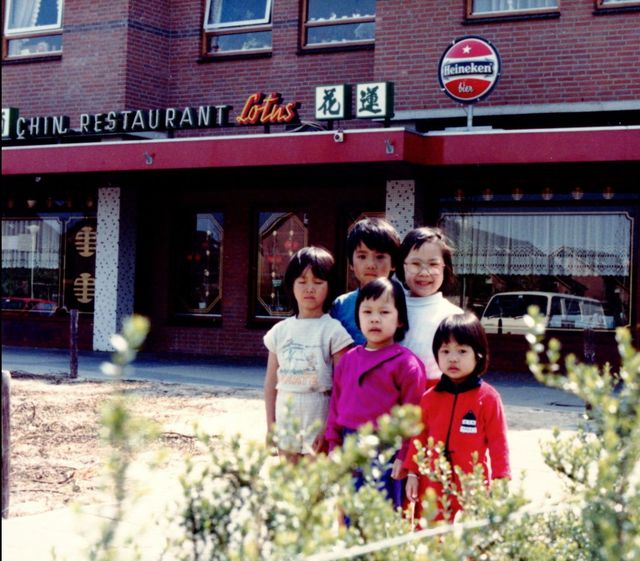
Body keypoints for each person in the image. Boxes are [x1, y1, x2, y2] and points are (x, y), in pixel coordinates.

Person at [325, 277, 426, 509]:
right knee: (352, 514)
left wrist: (404, 456)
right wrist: (333, 446)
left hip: (387, 452)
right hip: (350, 447)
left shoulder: (407, 364)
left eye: (384, 312)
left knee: (384, 517)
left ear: (400, 319)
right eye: (367, 311)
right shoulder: (348, 360)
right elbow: (336, 407)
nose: (374, 318)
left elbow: (414, 419)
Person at [404, 312, 511, 522]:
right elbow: (418, 439)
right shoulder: (429, 398)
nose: (453, 358)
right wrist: (412, 473)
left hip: (471, 485)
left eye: (462, 351)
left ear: (478, 354)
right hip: (431, 485)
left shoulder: (488, 398)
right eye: (445, 351)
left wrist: (501, 479)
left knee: (470, 537)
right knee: (430, 535)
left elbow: (498, 442)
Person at [263, 246, 353, 463]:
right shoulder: (280, 331)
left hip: (319, 411)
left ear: (329, 286)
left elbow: (342, 385)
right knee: (289, 479)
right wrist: (270, 425)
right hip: (286, 412)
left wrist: (330, 428)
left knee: (315, 479)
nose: (310, 289)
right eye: (302, 282)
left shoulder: (334, 330)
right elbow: (270, 383)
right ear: (291, 285)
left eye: (318, 282)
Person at [396, 226, 462, 386]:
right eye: (415, 264)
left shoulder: (454, 316)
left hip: (436, 394)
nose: (424, 273)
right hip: (390, 393)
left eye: (433, 264)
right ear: (402, 266)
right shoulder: (390, 307)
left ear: (445, 268)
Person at [331, 217, 401, 346]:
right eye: (362, 256)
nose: (371, 265)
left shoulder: (404, 303)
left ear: (394, 263)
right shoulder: (341, 305)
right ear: (351, 263)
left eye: (380, 257)